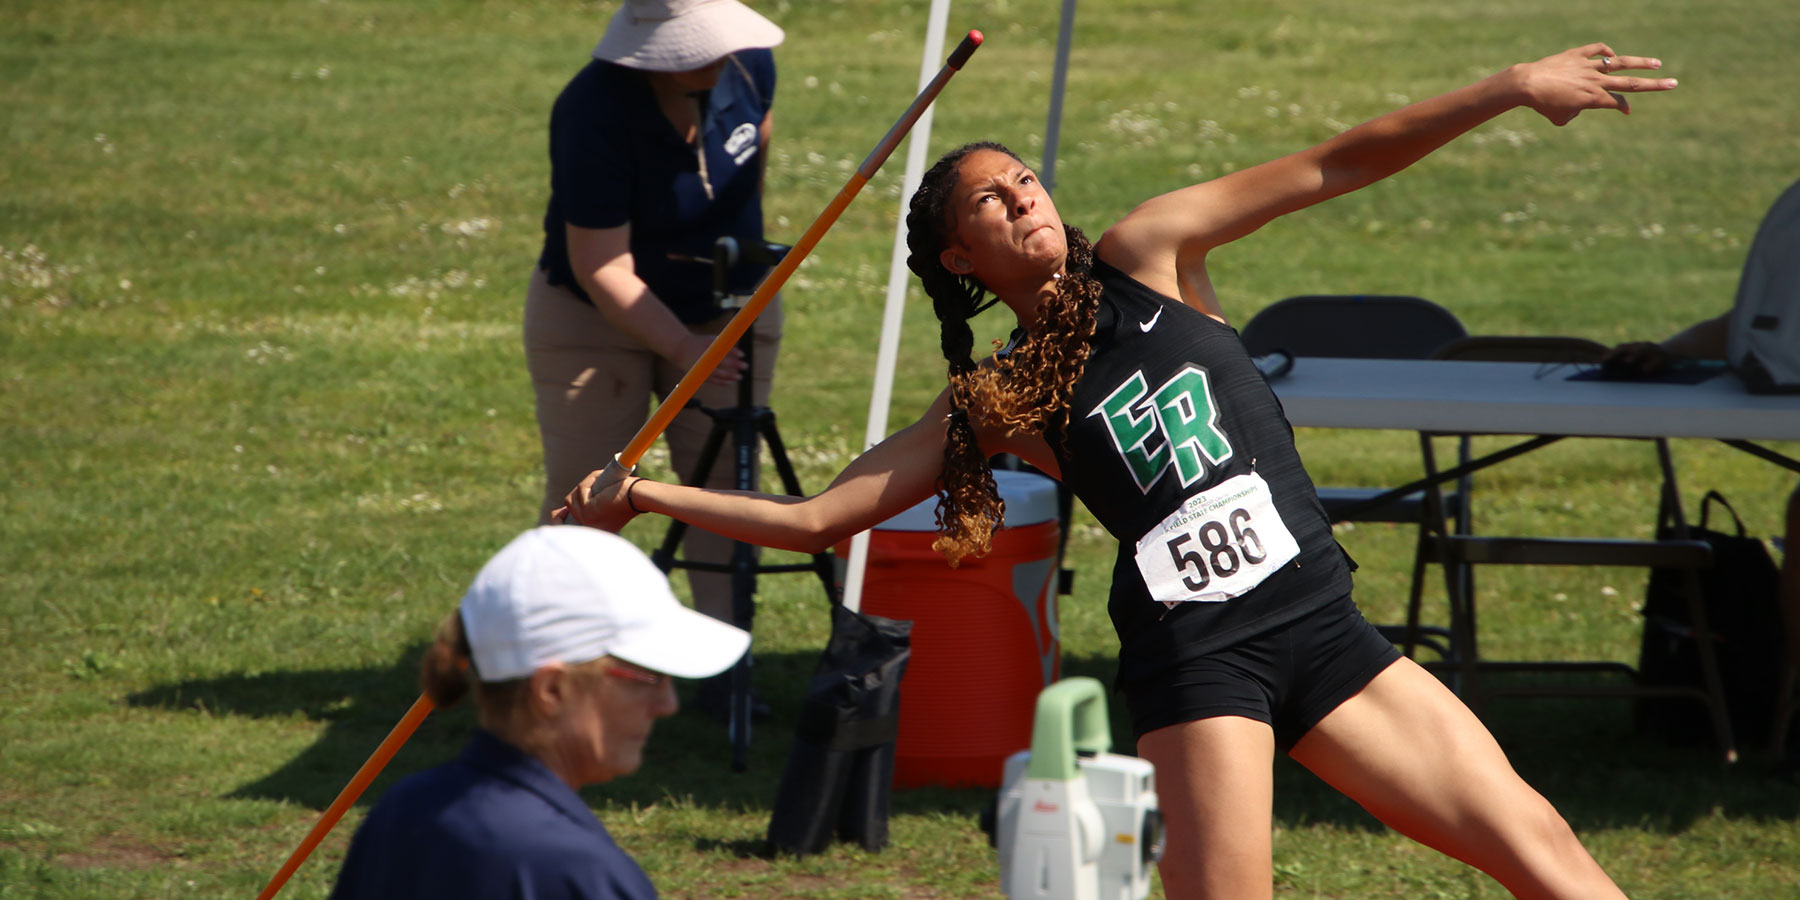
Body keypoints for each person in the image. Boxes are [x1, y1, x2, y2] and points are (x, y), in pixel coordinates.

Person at [563, 43, 1674, 899]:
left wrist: (1512, 86)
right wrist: (645, 491)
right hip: (1200, 665)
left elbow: (1338, 161)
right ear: (962, 257)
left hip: (1324, 628)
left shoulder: (1152, 252)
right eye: (990, 203)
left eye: (1028, 181)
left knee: (1544, 855)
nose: (1022, 199)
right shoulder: (996, 397)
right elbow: (820, 520)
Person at [524, 0, 785, 644]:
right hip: (593, 319)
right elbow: (601, 265)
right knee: (588, 491)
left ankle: (723, 657)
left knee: (724, 486)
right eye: (692, 48)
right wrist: (683, 346)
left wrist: (736, 267)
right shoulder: (591, 110)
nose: (714, 56)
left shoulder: (752, 68)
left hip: (723, 312)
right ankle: (556, 658)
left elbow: (754, 159)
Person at [328, 527, 750, 900]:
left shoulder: (401, 811)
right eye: (648, 677)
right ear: (552, 690)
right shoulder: (577, 872)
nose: (668, 705)